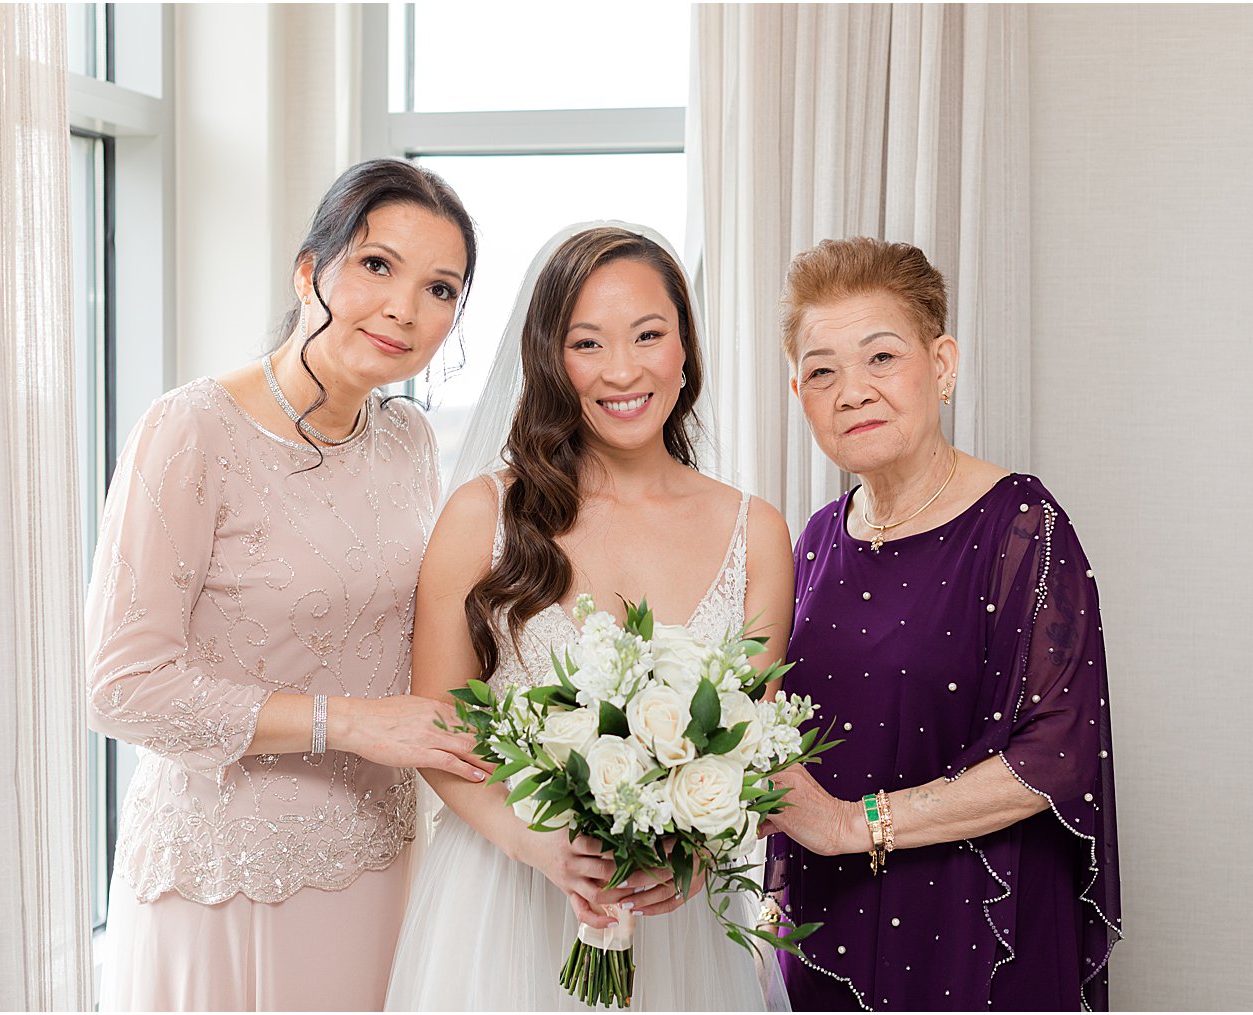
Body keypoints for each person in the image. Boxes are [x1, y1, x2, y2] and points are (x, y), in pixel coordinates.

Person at [86, 158, 492, 1011]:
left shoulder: (408, 438)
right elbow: (123, 689)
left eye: (440, 288)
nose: (404, 309)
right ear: (311, 271)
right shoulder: (192, 427)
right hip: (228, 872)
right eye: (378, 266)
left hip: (380, 863)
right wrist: (349, 722)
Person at [383, 224, 795, 1010]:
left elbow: (752, 744)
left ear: (685, 349)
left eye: (649, 334)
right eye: (587, 343)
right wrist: (535, 842)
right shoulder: (484, 515)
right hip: (503, 895)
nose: (623, 370)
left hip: (671, 919)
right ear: (549, 358)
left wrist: (694, 855)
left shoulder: (757, 531)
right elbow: (436, 729)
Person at [762, 237, 1121, 1011]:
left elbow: (1058, 754)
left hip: (979, 922)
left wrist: (847, 825)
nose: (852, 390)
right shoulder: (817, 539)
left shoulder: (1022, 523)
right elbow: (777, 730)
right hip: (832, 920)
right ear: (801, 396)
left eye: (881, 357)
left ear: (944, 364)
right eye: (823, 371)